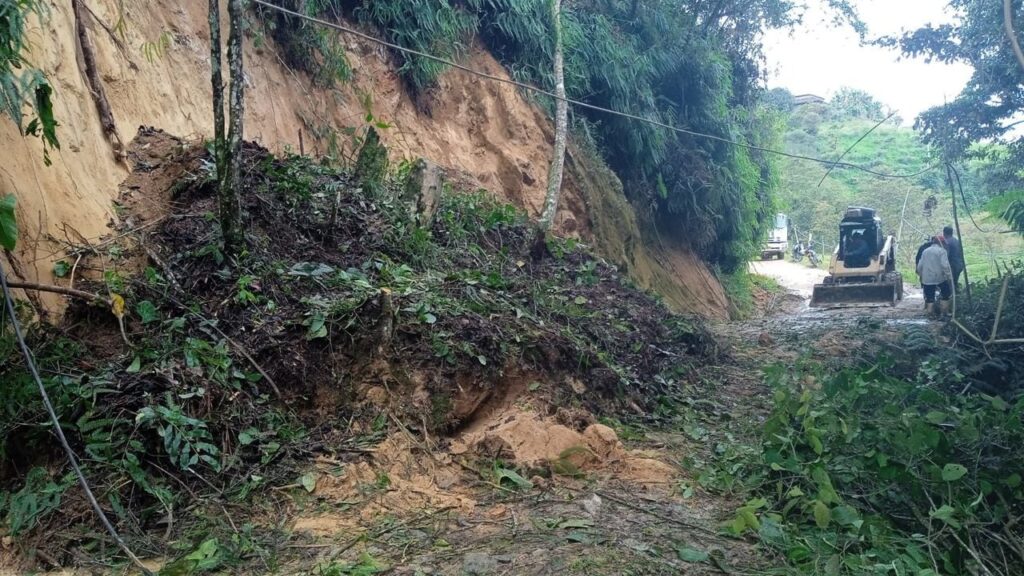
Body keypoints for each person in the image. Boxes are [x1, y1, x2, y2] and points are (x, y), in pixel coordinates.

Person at [917, 236, 953, 316]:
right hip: (940, 277)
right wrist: (949, 276)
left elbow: (920, 265)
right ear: (941, 243)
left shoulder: (925, 251)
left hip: (927, 278)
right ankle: (944, 312)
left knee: (929, 296)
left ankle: (930, 313)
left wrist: (921, 275)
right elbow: (945, 265)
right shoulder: (942, 251)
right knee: (945, 294)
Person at [943, 225, 965, 291]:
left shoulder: (947, 242)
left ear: (944, 233)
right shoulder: (956, 240)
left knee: (950, 283)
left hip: (953, 265)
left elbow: (946, 255)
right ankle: (955, 295)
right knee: (954, 282)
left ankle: (951, 298)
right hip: (960, 264)